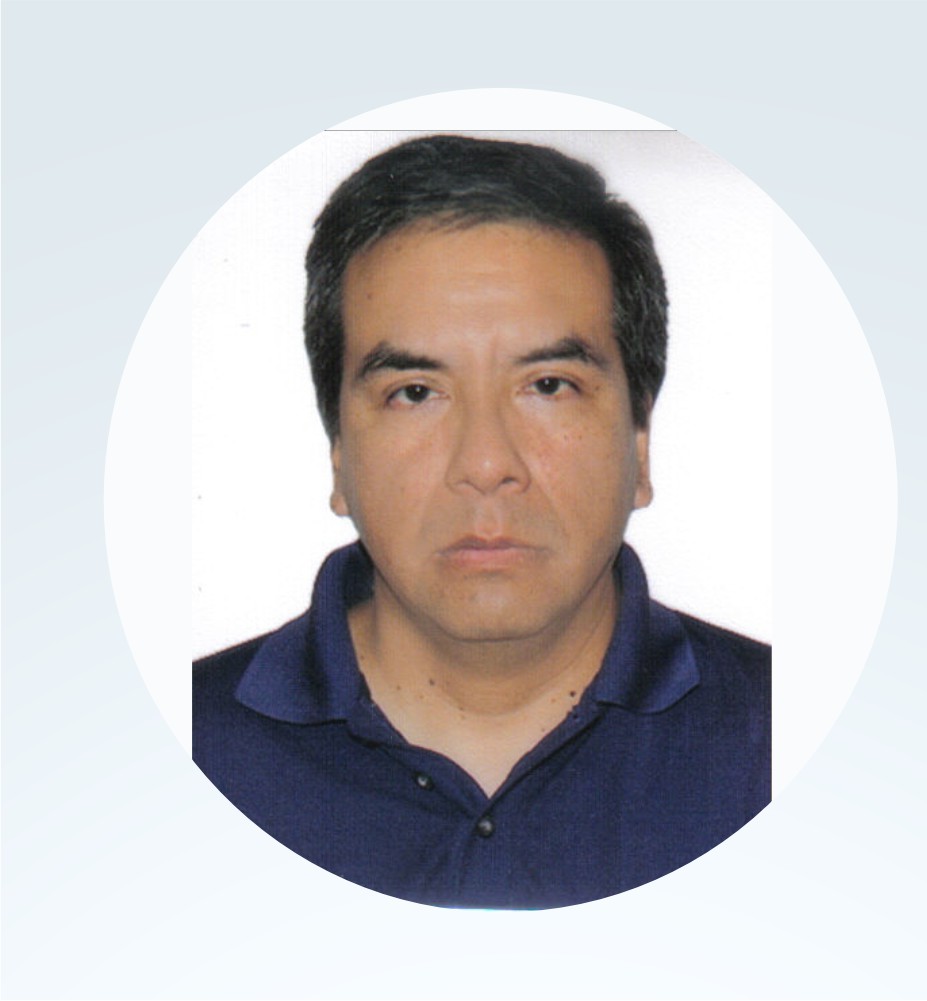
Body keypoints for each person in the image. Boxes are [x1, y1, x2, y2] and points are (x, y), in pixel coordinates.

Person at [193, 134, 770, 908]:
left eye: (548, 384)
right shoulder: (179, 750)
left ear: (639, 444)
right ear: (337, 454)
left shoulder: (789, 740)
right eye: (414, 392)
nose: (487, 462)